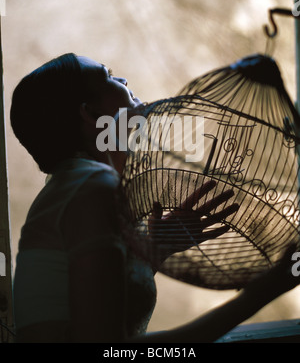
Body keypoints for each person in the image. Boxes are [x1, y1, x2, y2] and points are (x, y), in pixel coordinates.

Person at [10, 53, 300, 343]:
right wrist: (260, 293)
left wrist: (151, 253)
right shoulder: (91, 185)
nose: (123, 80)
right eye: (108, 76)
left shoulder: (78, 185)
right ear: (88, 112)